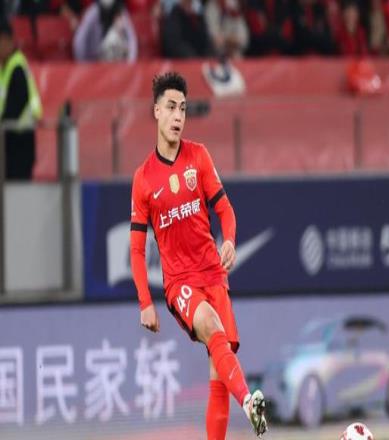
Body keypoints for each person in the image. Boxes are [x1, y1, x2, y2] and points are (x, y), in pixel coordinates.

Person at [129, 71, 268, 439]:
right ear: (156, 111)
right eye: (171, 107)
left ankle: (238, 406)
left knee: (218, 372)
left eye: (183, 109)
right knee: (210, 325)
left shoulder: (199, 156)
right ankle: (249, 401)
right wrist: (145, 302)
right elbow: (137, 249)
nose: (178, 116)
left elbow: (225, 209)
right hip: (180, 283)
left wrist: (230, 240)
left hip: (213, 275)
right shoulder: (143, 179)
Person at [0, 19, 42, 180]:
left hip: (20, 143)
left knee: (17, 189)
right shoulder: (4, 68)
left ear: (8, 41)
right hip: (8, 143)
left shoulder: (16, 68)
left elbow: (14, 108)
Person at [73, 0, 138, 62]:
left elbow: (131, 39)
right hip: (96, 59)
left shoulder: (121, 11)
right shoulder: (93, 11)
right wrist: (83, 61)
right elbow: (80, 39)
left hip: (117, 60)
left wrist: (130, 61)